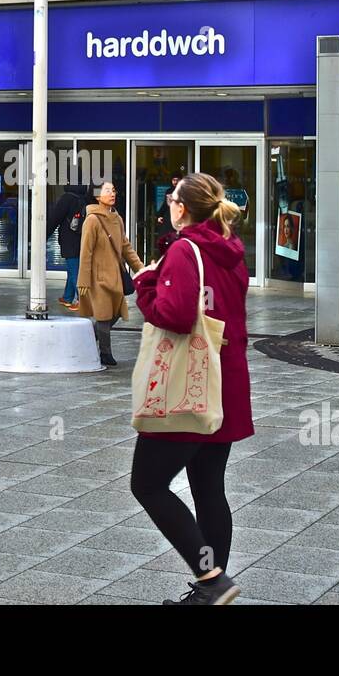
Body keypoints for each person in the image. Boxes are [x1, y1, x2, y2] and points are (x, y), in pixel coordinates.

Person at [130, 172, 254, 605]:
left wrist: (145, 285)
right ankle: (210, 588)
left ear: (182, 208)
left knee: (147, 484)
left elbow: (176, 315)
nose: (168, 204)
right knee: (209, 488)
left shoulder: (185, 250)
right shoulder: (231, 252)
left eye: (171, 199)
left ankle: (211, 578)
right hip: (226, 381)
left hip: (188, 385)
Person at [77, 181, 144, 367]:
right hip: (98, 277)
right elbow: (86, 251)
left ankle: (88, 336)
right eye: (108, 190)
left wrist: (141, 268)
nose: (112, 193)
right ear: (97, 196)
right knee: (104, 315)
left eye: (114, 190)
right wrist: (83, 279)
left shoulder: (117, 218)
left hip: (115, 275)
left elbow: (125, 247)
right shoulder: (92, 220)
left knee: (116, 312)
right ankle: (105, 352)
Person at [46, 184, 87, 310]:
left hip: (69, 240)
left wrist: (44, 235)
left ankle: (83, 301)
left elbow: (54, 219)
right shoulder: (84, 198)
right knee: (72, 268)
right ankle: (67, 297)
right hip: (83, 238)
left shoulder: (66, 198)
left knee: (74, 271)